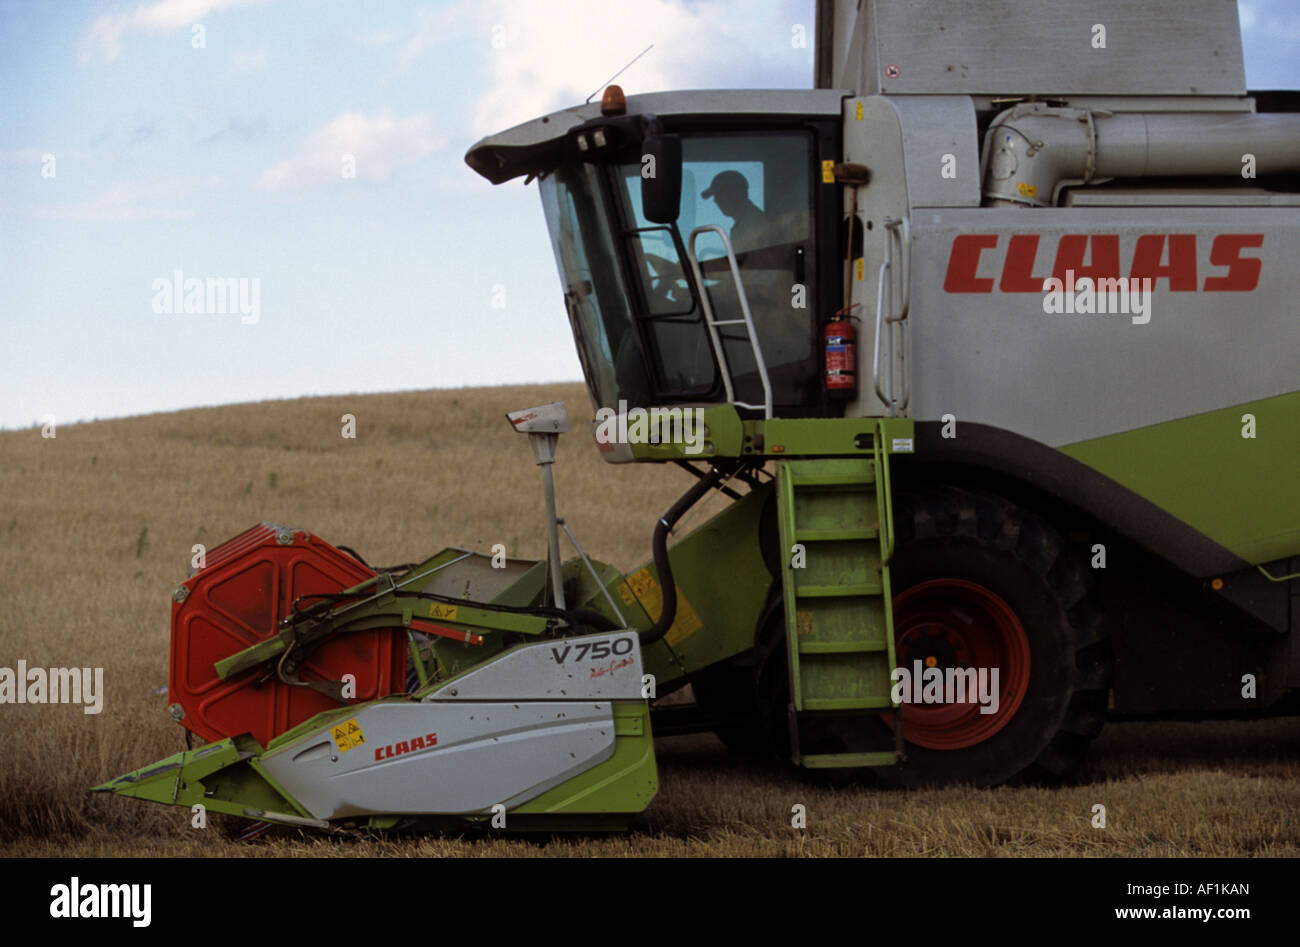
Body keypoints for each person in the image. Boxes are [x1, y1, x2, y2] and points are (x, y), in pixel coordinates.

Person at [701, 170, 768, 253]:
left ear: (736, 193)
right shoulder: (746, 221)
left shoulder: (753, 224)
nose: (716, 200)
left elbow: (749, 263)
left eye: (719, 194)